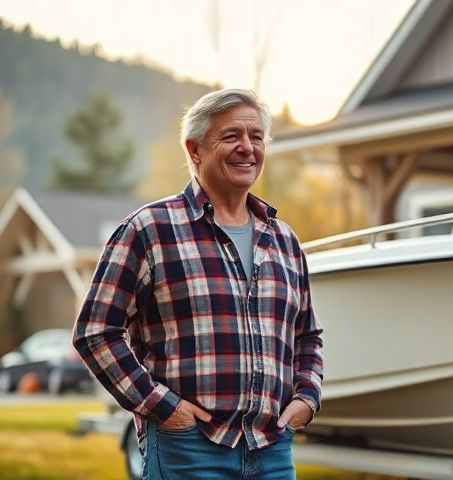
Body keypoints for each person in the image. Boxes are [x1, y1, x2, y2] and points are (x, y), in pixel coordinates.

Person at [73, 88, 323, 480]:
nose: (247, 148)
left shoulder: (284, 239)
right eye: (231, 137)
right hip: (188, 448)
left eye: (256, 137)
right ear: (194, 151)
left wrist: (307, 398)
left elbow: (307, 334)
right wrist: (161, 406)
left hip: (271, 447)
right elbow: (95, 332)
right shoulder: (149, 229)